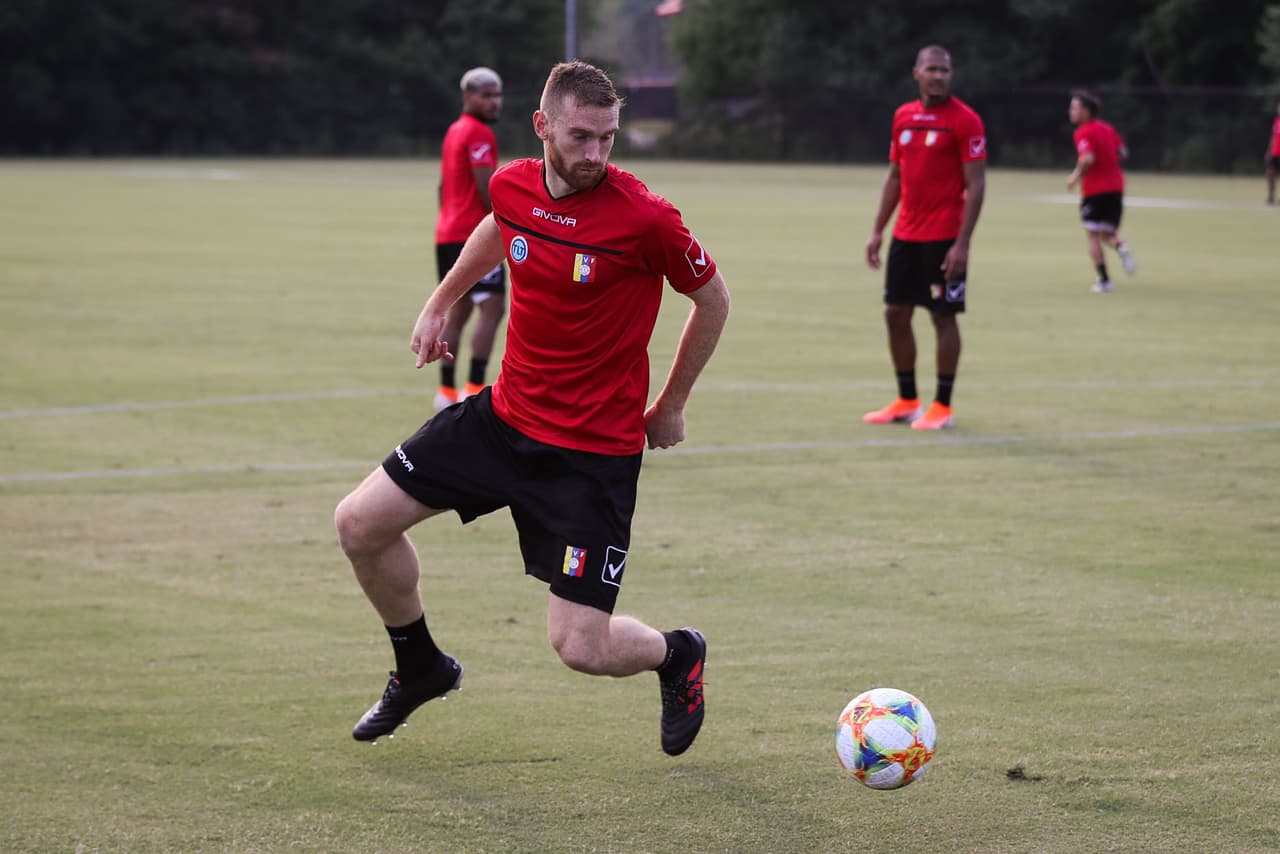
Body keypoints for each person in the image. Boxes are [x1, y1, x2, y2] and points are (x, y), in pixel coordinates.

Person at [333, 60, 731, 756]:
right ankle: (420, 665)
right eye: (580, 137)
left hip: (591, 458)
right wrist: (440, 303)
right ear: (543, 126)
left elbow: (713, 299)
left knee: (581, 648)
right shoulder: (514, 181)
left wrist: (670, 404)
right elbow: (496, 224)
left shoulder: (645, 216)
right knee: (359, 524)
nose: (595, 154)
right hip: (503, 422)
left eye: (608, 138)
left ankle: (676, 654)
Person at [864, 45, 986, 431]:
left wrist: (962, 244)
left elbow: (977, 183)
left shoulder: (966, 121)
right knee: (895, 313)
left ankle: (943, 406)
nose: (938, 76)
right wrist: (878, 230)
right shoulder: (903, 117)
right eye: (931, 69)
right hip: (905, 235)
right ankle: (906, 399)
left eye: (944, 70)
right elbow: (895, 176)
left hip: (944, 237)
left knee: (943, 316)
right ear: (916, 72)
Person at [434, 67, 506, 411]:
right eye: (487, 95)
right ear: (468, 97)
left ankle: (446, 391)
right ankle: (474, 387)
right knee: (492, 309)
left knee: (458, 310)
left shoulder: (454, 131)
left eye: (497, 95)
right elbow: (486, 186)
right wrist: (507, 227)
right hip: (474, 234)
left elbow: (441, 187)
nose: (495, 102)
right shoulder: (479, 133)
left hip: (447, 233)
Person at [1065, 89, 1136, 293]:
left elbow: (1087, 158)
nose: (1071, 111)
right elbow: (1123, 153)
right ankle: (1121, 246)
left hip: (1094, 190)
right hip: (1116, 187)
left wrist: (1074, 177)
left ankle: (1104, 280)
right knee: (1108, 234)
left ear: (1086, 111)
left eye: (1075, 107)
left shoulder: (1083, 132)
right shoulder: (1107, 129)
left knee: (1093, 235)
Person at [1266, 100, 1280, 205]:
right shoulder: (1276, 121)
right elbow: (1273, 137)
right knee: (1270, 174)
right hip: (1275, 152)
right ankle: (1271, 196)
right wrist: (1268, 150)